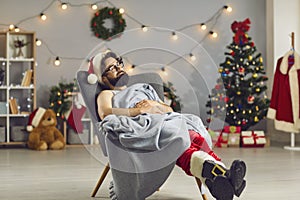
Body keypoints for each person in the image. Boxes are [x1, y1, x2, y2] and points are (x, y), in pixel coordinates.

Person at [91, 51, 246, 200]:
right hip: (142, 123)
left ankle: (220, 176)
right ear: (103, 78)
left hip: (165, 118)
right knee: (178, 134)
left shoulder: (141, 89)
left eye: (118, 64)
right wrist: (138, 110)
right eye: (112, 68)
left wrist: (154, 104)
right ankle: (221, 175)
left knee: (192, 133)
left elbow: (169, 110)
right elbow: (106, 113)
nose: (118, 69)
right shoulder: (107, 94)